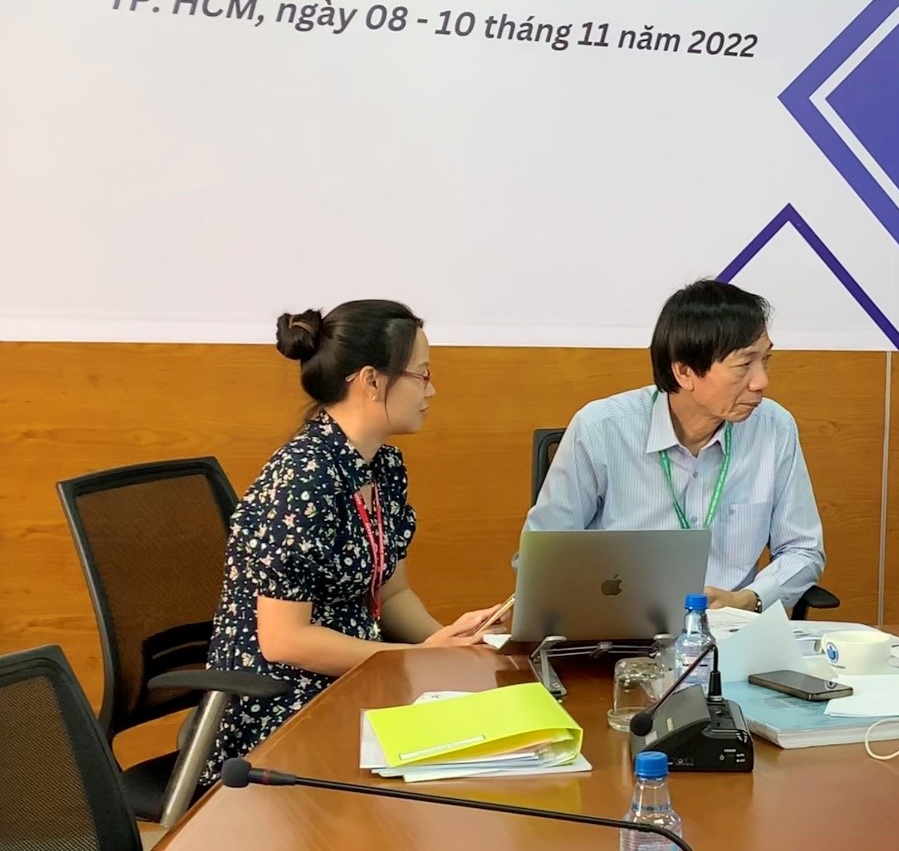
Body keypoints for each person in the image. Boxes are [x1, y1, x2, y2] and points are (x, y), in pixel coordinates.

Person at [201, 300, 503, 788]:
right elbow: (284, 640)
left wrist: (446, 643)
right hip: (283, 704)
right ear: (371, 381)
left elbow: (393, 595)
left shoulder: (383, 466)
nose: (432, 389)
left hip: (360, 680)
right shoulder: (304, 479)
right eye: (423, 374)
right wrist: (414, 658)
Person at [523, 280, 826, 613]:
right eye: (744, 365)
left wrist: (746, 599)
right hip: (621, 628)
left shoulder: (774, 428)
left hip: (730, 629)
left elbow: (803, 549)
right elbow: (541, 558)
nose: (761, 381)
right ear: (684, 371)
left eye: (765, 360)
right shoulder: (601, 429)